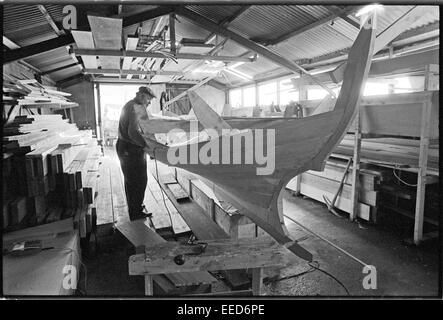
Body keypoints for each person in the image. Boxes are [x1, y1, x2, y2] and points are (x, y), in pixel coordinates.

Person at [116, 86, 156, 221]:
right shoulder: (134, 107)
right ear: (142, 96)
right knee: (138, 181)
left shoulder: (132, 105)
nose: (149, 103)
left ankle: (135, 208)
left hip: (128, 147)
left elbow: (143, 128)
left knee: (133, 180)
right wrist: (147, 145)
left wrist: (150, 141)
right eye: (149, 99)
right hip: (130, 149)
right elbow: (132, 132)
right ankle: (135, 213)